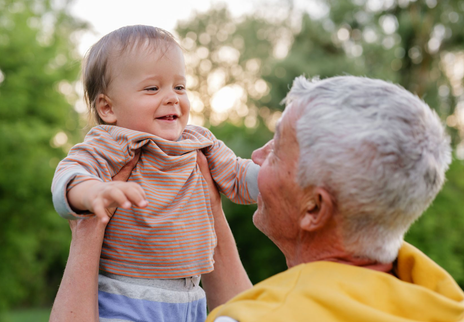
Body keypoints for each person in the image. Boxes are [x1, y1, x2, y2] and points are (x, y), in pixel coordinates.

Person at [51, 75, 464, 322]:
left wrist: (89, 231)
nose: (259, 154)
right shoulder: (440, 301)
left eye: (278, 148)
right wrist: (200, 202)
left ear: (314, 208)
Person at [51, 25, 259, 322]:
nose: (172, 98)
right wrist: (93, 192)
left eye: (179, 87)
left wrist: (280, 181)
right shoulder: (111, 142)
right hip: (128, 298)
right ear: (108, 108)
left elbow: (240, 176)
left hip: (191, 299)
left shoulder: (198, 141)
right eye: (152, 88)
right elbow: (68, 177)